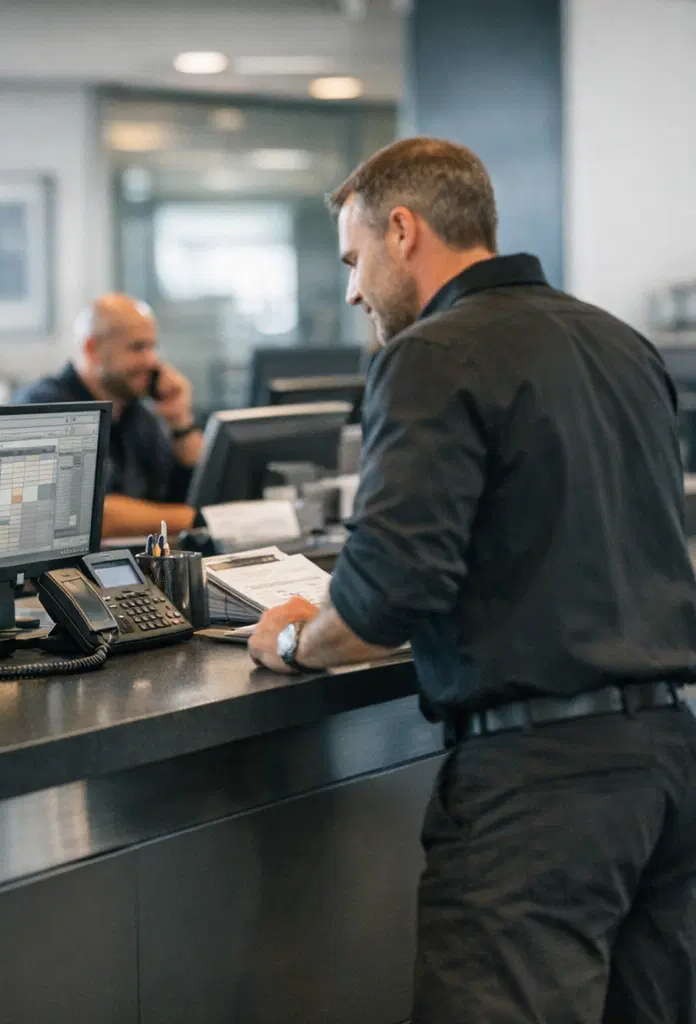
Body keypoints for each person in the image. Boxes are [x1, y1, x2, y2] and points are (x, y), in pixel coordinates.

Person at [247, 136, 696, 1023]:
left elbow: (387, 599)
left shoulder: (430, 356)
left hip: (539, 794)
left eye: (354, 257)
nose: (352, 291)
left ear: (403, 230)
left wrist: (296, 639)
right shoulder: (621, 344)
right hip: (670, 771)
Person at [13, 294, 203, 538]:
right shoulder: (46, 408)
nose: (151, 360)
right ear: (92, 349)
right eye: (138, 347)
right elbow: (87, 512)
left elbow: (183, 496)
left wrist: (180, 421)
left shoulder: (137, 414)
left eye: (152, 347)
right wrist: (198, 518)